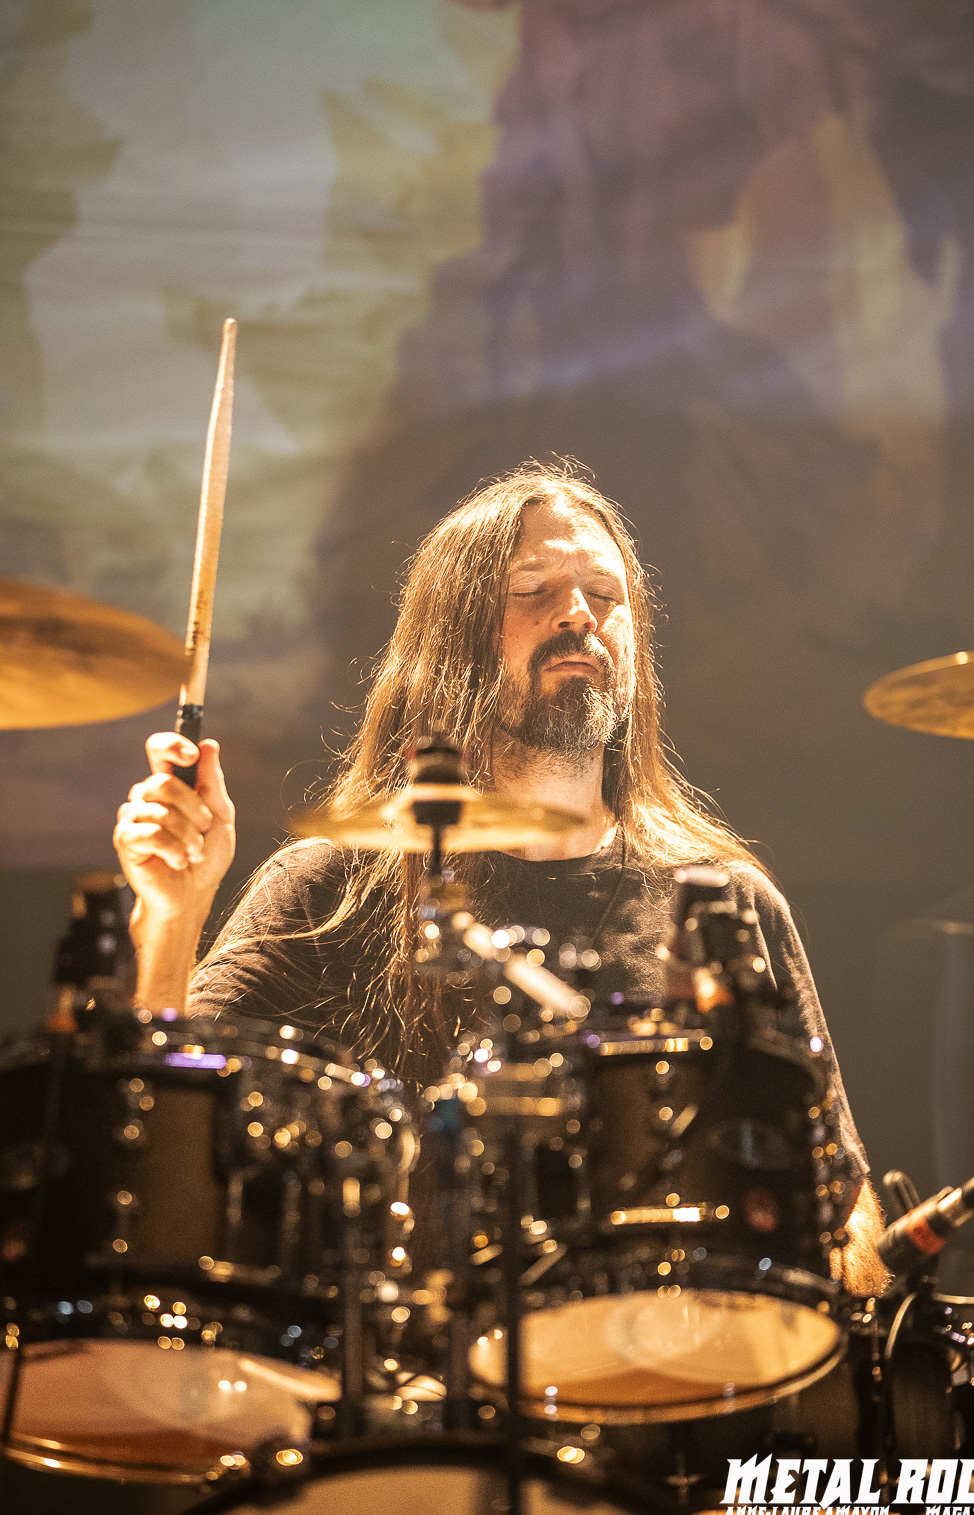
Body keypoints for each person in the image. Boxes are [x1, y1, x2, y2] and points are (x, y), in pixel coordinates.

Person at [113, 460, 888, 1294]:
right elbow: (161, 1145)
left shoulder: (722, 902)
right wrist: (172, 917)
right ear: (451, 637)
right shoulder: (328, 892)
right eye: (532, 589)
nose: (579, 612)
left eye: (605, 592)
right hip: (401, 1361)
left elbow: (841, 1200)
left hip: (668, 1356)